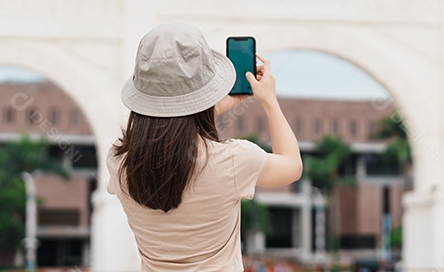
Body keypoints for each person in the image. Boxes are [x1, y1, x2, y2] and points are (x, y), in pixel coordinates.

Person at [107, 22, 303, 271]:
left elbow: (173, 134)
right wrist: (269, 101)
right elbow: (292, 166)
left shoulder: (119, 160)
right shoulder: (234, 159)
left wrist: (206, 105)